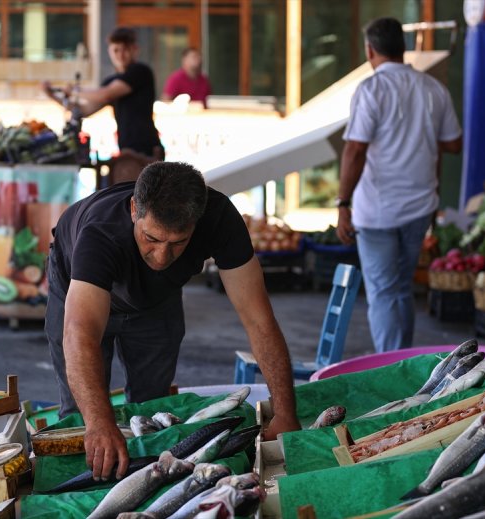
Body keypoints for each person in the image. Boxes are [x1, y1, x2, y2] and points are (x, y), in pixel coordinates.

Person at [45, 161, 300, 480]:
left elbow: (259, 320)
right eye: (151, 238)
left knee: (152, 411)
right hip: (81, 288)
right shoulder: (101, 233)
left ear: (197, 222)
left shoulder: (219, 218)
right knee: (83, 420)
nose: (162, 257)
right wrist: (99, 423)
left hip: (156, 299)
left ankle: (148, 485)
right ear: (134, 208)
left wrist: (286, 412)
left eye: (177, 243)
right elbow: (79, 334)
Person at [336, 17, 462, 353]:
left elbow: (355, 149)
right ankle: (401, 357)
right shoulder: (434, 89)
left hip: (377, 211)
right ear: (403, 49)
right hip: (420, 207)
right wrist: (420, 132)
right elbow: (454, 144)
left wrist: (342, 204)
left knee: (384, 292)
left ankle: (391, 367)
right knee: (402, 289)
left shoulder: (371, 89)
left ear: (370, 50)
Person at [43, 27, 164, 160]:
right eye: (116, 50)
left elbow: (106, 94)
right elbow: (83, 111)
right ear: (109, 51)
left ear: (134, 49)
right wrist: (52, 96)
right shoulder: (111, 81)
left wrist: (74, 91)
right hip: (126, 149)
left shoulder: (140, 72)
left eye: (125, 49)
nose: (120, 55)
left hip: (147, 150)